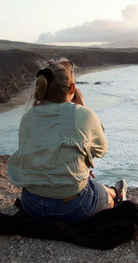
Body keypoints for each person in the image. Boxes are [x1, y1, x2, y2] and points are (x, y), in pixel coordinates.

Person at [7, 58, 127, 224]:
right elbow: (101, 150)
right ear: (73, 88)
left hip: (31, 203)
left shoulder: (28, 117)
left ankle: (115, 191)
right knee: (105, 198)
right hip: (71, 206)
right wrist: (83, 108)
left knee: (93, 186)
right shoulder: (83, 114)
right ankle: (116, 196)